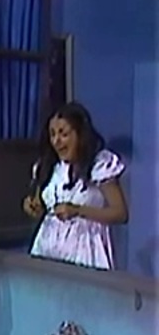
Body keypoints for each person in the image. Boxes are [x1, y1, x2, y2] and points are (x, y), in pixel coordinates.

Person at [23, 102, 129, 270]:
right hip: (47, 248)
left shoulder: (99, 164)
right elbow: (41, 207)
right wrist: (34, 207)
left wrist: (78, 211)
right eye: (52, 134)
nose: (56, 141)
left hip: (86, 251)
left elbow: (120, 214)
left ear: (80, 134)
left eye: (64, 134)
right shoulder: (48, 166)